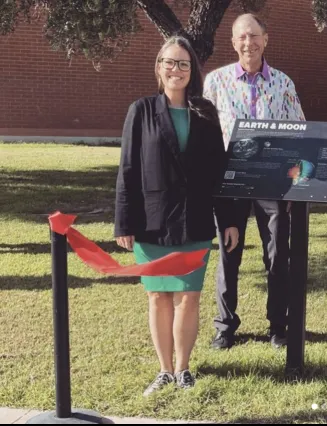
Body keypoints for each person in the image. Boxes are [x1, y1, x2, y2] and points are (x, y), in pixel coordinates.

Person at [114, 36, 239, 396]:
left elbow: (220, 169)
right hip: (152, 221)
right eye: (170, 62)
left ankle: (183, 369)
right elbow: (127, 169)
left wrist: (229, 219)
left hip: (195, 218)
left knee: (189, 295)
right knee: (158, 296)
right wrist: (124, 221)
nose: (176, 70)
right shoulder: (140, 110)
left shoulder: (205, 112)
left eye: (183, 64)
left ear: (192, 71)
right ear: (159, 67)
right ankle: (164, 370)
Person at [204, 13, 305, 350]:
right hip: (229, 184)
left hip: (271, 184)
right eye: (242, 37)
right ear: (233, 43)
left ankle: (278, 326)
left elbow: (298, 135)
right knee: (229, 255)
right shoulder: (215, 82)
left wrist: (294, 184)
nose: (249, 43)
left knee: (277, 256)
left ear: (266, 38)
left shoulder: (283, 83)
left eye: (254, 36)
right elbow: (205, 138)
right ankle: (225, 326)